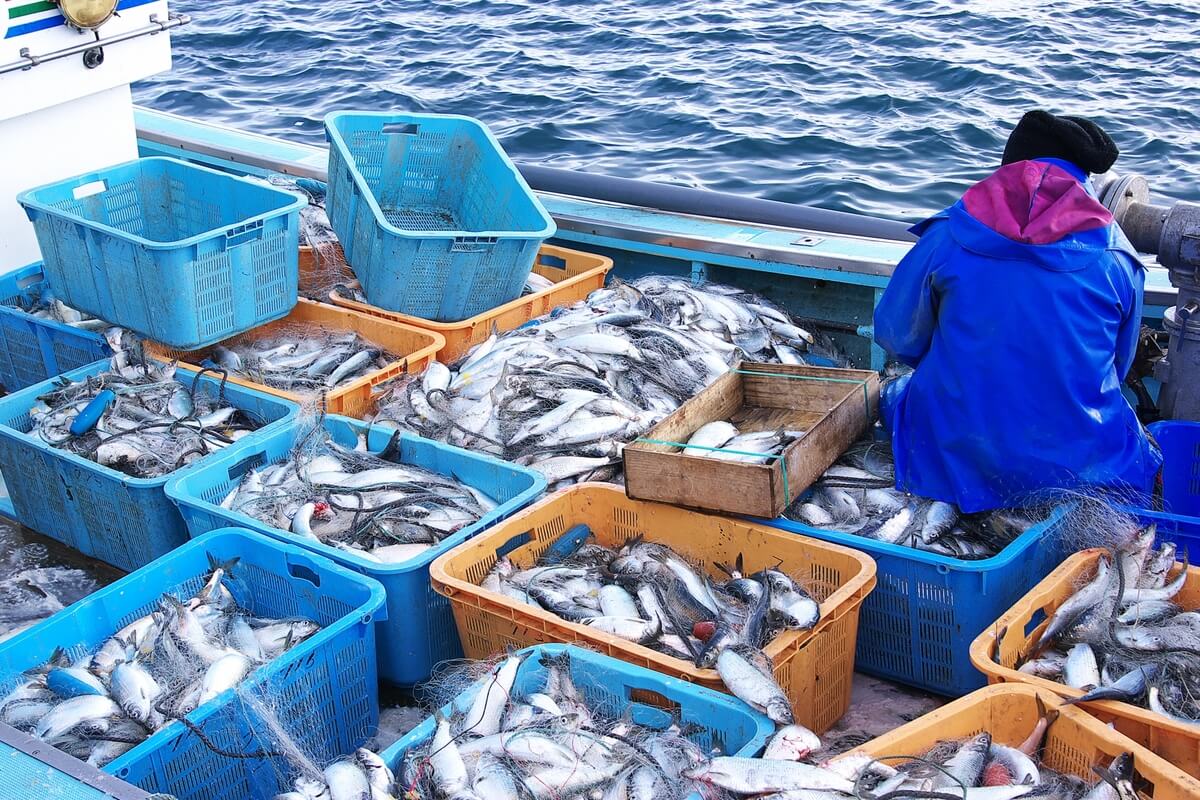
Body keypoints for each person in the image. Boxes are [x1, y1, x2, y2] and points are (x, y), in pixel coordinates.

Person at [873, 110, 1161, 513]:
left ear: (1006, 171)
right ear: (1084, 180)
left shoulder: (949, 233)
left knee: (896, 394)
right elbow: (1116, 366)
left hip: (954, 448)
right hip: (1079, 466)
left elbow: (896, 335)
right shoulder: (1118, 258)